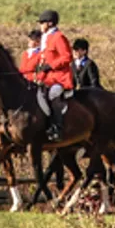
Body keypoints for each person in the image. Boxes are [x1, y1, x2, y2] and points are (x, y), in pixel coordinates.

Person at [32, 10, 74, 141]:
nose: (40, 26)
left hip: (60, 77)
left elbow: (67, 57)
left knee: (52, 94)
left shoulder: (58, 37)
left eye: (42, 23)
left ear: (50, 23)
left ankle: (57, 128)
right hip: (47, 77)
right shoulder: (47, 37)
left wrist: (51, 65)